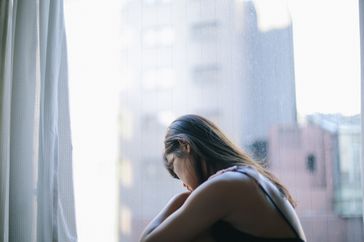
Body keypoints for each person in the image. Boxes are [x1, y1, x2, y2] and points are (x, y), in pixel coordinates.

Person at [140, 114, 306, 242]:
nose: (183, 183)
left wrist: (180, 200)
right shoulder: (247, 178)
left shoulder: (226, 186)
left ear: (184, 145)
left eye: (175, 168)